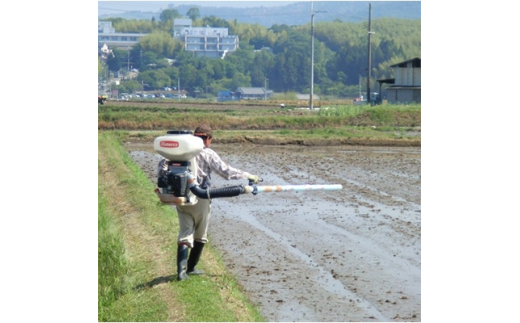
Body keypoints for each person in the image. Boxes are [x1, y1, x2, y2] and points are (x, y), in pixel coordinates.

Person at [159, 124, 259, 281]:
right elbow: (226, 172)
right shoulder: (207, 153)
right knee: (200, 234)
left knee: (185, 232)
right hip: (200, 197)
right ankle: (191, 268)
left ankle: (181, 272)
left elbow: (162, 170)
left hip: (180, 198)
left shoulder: (175, 153)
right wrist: (248, 175)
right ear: (209, 139)